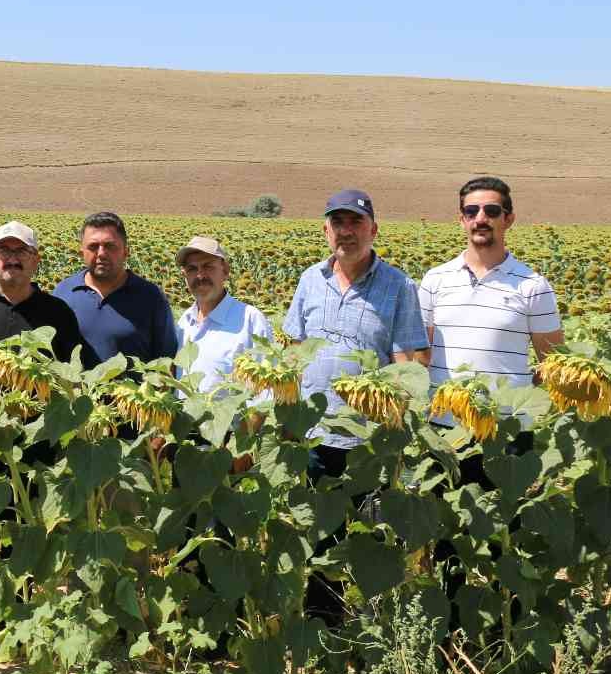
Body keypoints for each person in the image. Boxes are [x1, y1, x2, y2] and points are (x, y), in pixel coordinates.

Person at [0, 220, 82, 645]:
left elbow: (70, 377)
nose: (12, 258)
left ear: (35, 260)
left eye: (20, 251)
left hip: (33, 444)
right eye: (3, 251)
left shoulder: (57, 313)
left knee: (22, 532)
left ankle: (18, 623)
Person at [282, 190, 429, 477]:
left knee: (368, 516)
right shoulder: (310, 279)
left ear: (373, 230)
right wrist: (289, 421)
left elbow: (408, 367)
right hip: (312, 433)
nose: (346, 231)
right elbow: (294, 352)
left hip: (368, 440)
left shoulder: (399, 286)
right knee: (316, 518)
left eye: (356, 222)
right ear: (326, 231)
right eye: (337, 222)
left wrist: (394, 432)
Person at [418, 177, 563, 433]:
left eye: (492, 211)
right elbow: (420, 354)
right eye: (471, 211)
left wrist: (518, 401)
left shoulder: (533, 285)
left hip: (506, 427)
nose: (481, 218)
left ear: (508, 219)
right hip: (442, 424)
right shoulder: (435, 279)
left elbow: (551, 362)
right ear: (462, 219)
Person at [52, 211, 178, 367]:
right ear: (81, 253)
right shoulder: (63, 293)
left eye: (110, 246)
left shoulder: (151, 297)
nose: (101, 254)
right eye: (93, 247)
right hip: (77, 391)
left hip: (131, 391)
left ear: (126, 251)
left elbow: (166, 362)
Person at [174, 235, 273, 396]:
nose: (200, 276)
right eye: (192, 269)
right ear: (184, 276)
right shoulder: (183, 323)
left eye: (208, 267)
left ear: (225, 271)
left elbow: (264, 392)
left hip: (231, 421)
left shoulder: (250, 320)